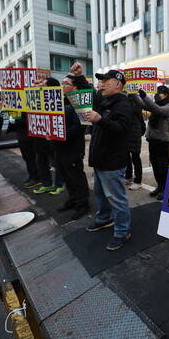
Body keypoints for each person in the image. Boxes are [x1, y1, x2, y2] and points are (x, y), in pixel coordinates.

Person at [84, 69, 133, 251]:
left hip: (112, 162)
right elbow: (86, 91)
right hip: (100, 160)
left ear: (118, 83)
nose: (102, 84)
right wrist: (81, 77)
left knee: (116, 198)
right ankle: (104, 219)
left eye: (106, 80)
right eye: (101, 81)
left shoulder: (124, 105)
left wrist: (100, 119)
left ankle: (122, 231)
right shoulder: (105, 101)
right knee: (100, 194)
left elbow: (120, 129)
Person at [55, 75, 90, 220]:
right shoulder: (59, 102)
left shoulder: (79, 103)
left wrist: (61, 135)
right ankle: (72, 199)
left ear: (75, 88)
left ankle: (83, 204)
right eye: (62, 83)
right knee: (65, 176)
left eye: (66, 83)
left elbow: (80, 126)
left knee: (76, 177)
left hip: (73, 148)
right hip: (59, 147)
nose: (63, 85)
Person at [134, 85, 169, 201]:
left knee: (163, 167)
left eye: (159, 93)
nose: (156, 95)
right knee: (155, 166)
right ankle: (159, 186)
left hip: (162, 141)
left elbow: (158, 110)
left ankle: (166, 188)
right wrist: (133, 94)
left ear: (165, 95)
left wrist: (145, 97)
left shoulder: (168, 107)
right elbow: (141, 105)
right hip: (152, 140)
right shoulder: (154, 105)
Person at [32, 77, 65, 196]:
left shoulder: (58, 101)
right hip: (39, 138)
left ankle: (59, 184)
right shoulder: (35, 100)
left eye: (44, 84)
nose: (41, 86)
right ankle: (46, 184)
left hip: (52, 139)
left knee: (56, 164)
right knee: (40, 163)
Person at [125, 94, 144, 190]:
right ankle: (128, 176)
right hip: (127, 131)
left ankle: (138, 180)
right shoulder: (125, 98)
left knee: (135, 156)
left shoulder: (137, 102)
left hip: (135, 132)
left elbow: (136, 111)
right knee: (126, 155)